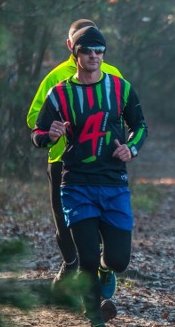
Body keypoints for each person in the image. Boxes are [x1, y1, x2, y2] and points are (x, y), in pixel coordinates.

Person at [31, 25, 147, 327]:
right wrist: (49, 135)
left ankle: (109, 273)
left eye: (99, 51)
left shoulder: (120, 88)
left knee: (118, 260)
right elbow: (37, 134)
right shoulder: (60, 93)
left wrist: (132, 148)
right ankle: (96, 325)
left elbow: (140, 126)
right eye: (87, 51)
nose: (94, 57)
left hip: (113, 184)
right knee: (86, 258)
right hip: (77, 184)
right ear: (76, 54)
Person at [26, 19, 123, 289]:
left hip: (103, 162)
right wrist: (54, 128)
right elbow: (35, 118)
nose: (91, 53)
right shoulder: (56, 77)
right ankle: (70, 264)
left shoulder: (112, 73)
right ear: (71, 45)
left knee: (102, 220)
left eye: (96, 47)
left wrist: (120, 143)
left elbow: (125, 113)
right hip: (62, 161)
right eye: (79, 44)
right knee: (64, 221)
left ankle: (99, 270)